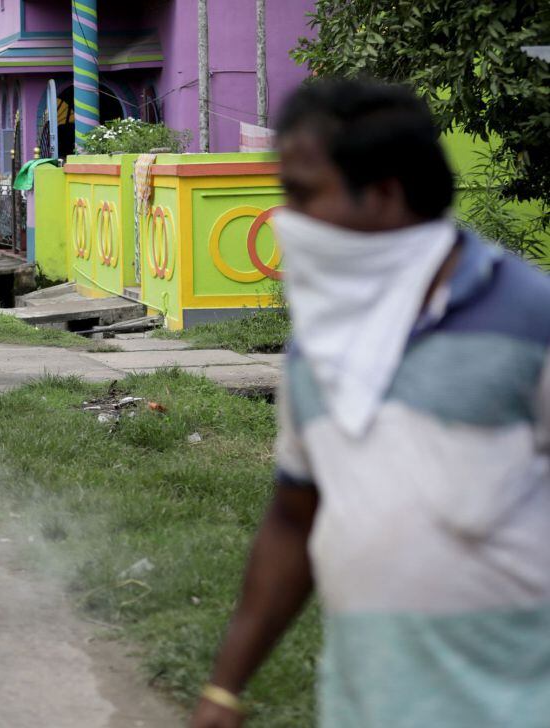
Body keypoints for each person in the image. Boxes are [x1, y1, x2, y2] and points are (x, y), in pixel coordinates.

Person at [190, 79, 550, 728]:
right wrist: (224, 688)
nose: (283, 221)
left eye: (301, 196)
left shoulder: (530, 318)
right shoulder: (317, 347)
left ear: (383, 194)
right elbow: (295, 517)